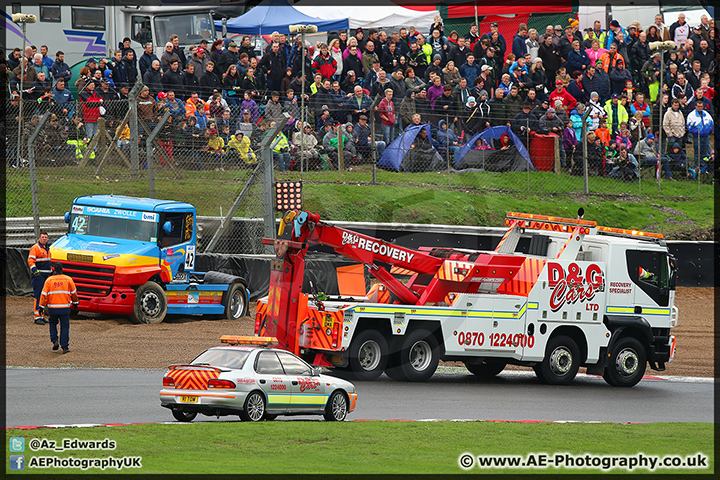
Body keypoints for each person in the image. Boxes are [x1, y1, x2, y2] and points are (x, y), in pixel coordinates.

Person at [38, 262, 78, 354]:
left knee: (53, 324)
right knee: (65, 327)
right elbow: (74, 293)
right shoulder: (68, 279)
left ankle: (54, 340)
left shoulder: (49, 280)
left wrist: (41, 307)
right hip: (65, 308)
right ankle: (65, 347)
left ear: (53, 269)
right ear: (62, 269)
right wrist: (75, 303)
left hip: (53, 308)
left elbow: (44, 295)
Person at [28, 232, 53, 325]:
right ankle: (37, 316)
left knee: (44, 296)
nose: (44, 239)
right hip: (38, 276)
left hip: (45, 275)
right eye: (43, 237)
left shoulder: (47, 249)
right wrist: (34, 270)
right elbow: (30, 260)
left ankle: (41, 316)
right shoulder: (35, 248)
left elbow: (48, 262)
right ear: (39, 238)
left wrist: (51, 271)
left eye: (46, 237)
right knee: (38, 295)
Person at [685, 99, 714, 175]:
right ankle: (698, 167)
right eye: (698, 106)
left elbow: (711, 123)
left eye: (701, 106)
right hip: (697, 137)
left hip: (706, 136)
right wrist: (698, 132)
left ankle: (706, 168)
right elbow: (689, 126)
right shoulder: (691, 115)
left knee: (707, 152)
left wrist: (708, 131)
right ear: (695, 106)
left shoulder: (706, 114)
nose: (700, 108)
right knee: (698, 152)